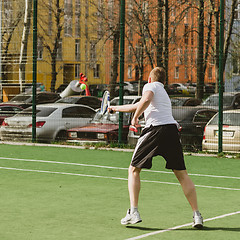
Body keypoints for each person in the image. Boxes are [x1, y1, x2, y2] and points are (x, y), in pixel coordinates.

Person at [108, 67, 203, 228]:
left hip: (155, 130)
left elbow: (145, 100)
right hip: (171, 132)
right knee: (182, 175)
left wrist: (135, 118)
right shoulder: (163, 93)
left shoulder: (150, 87)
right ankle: (197, 215)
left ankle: (133, 212)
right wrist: (115, 108)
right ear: (164, 81)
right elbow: (140, 104)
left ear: (150, 79)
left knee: (133, 170)